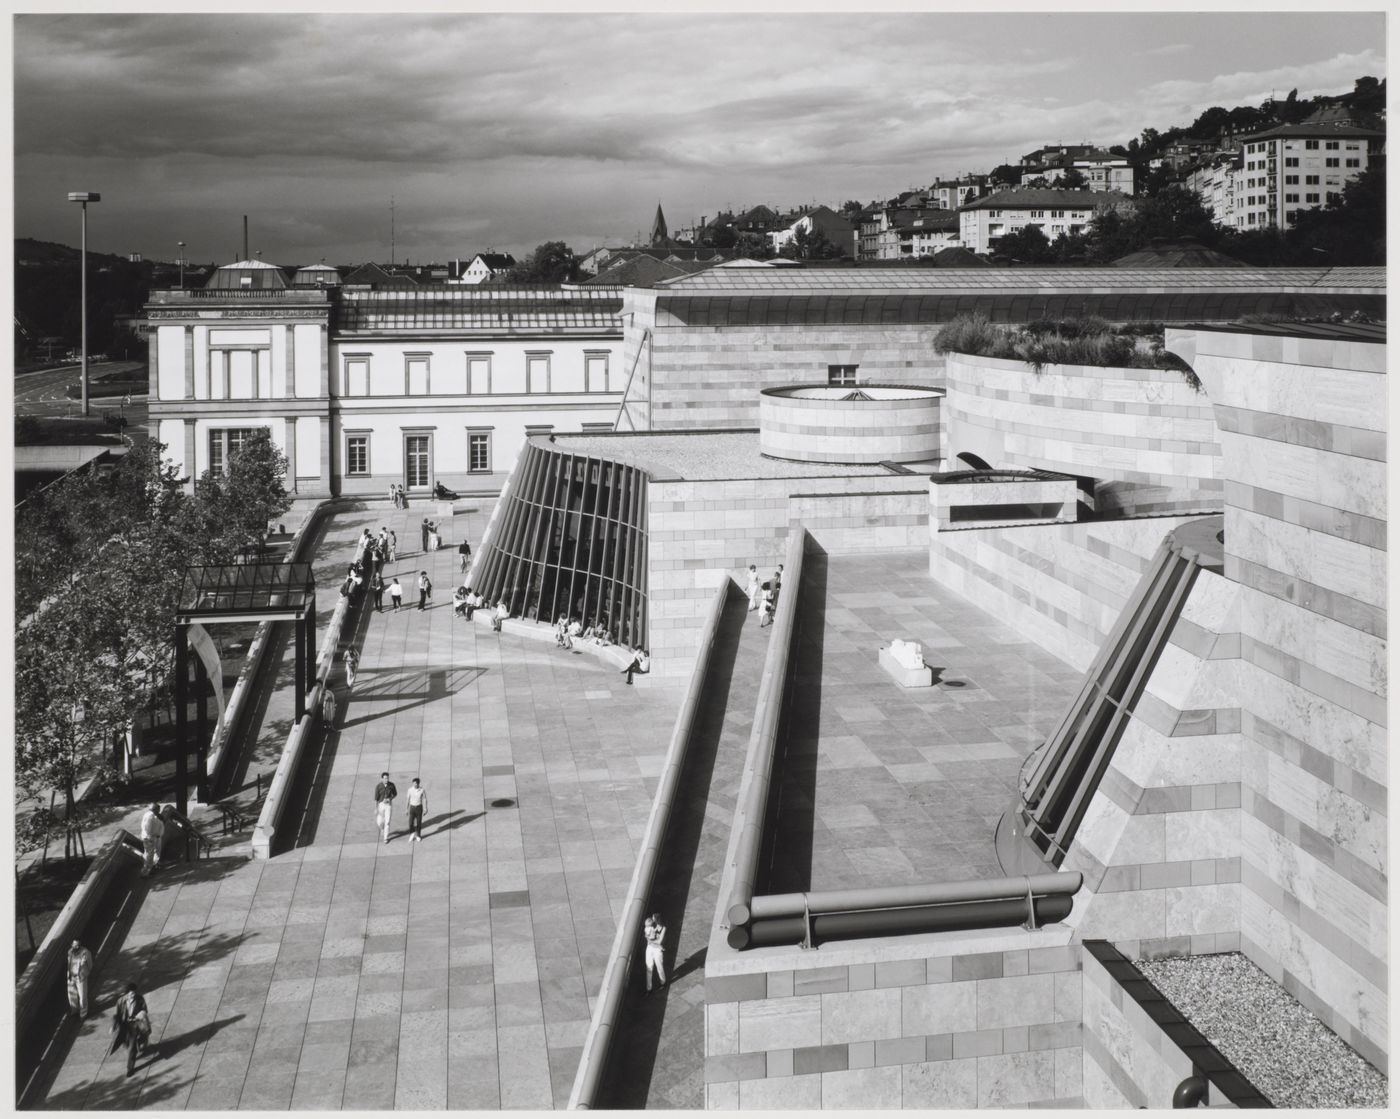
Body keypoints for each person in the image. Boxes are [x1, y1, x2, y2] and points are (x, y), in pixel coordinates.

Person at [110, 982, 151, 1076]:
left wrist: (138, 1016)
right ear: (127, 993)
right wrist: (113, 1026)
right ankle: (136, 1046)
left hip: (134, 1024)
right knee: (125, 1043)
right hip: (123, 1025)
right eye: (131, 993)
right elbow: (116, 1015)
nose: (133, 995)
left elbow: (145, 1010)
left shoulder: (139, 999)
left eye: (134, 993)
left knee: (131, 1047)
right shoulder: (120, 1001)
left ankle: (130, 1068)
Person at [66, 939, 93, 1019]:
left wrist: (85, 974)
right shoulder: (70, 952)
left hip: (81, 978)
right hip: (71, 977)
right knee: (72, 995)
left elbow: (90, 965)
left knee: (82, 996)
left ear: (80, 946)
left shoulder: (86, 953)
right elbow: (69, 963)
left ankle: (83, 1013)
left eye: (78, 945)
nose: (76, 947)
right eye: (74, 945)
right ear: (72, 945)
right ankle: (74, 1011)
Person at [642, 914, 667, 992]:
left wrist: (650, 941)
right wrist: (653, 942)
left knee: (659, 966)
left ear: (657, 920)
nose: (652, 921)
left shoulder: (663, 928)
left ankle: (663, 982)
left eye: (653, 919)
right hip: (650, 948)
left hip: (657, 950)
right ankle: (648, 988)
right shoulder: (650, 926)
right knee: (649, 967)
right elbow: (646, 935)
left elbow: (659, 941)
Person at [139, 803, 163, 878]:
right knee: (149, 856)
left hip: (148, 837)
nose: (159, 811)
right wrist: (152, 835)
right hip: (149, 838)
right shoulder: (150, 816)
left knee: (149, 855)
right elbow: (147, 828)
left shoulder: (149, 815)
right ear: (155, 809)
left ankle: (149, 870)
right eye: (158, 810)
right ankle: (145, 873)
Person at [374, 771, 397, 844]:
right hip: (381, 804)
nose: (386, 780)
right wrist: (375, 808)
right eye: (385, 778)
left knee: (387, 822)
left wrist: (390, 799)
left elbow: (395, 794)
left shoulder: (392, 785)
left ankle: (385, 837)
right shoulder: (378, 786)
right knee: (379, 821)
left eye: (387, 778)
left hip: (388, 805)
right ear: (382, 779)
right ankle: (382, 829)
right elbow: (376, 798)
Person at [406, 778, 426, 843]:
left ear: (418, 784)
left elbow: (424, 799)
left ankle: (418, 835)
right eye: (413, 783)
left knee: (419, 822)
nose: (414, 784)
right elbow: (408, 800)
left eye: (416, 783)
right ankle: (412, 834)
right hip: (412, 807)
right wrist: (406, 809)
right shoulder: (410, 790)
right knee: (410, 822)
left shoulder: (422, 790)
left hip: (419, 807)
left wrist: (425, 808)